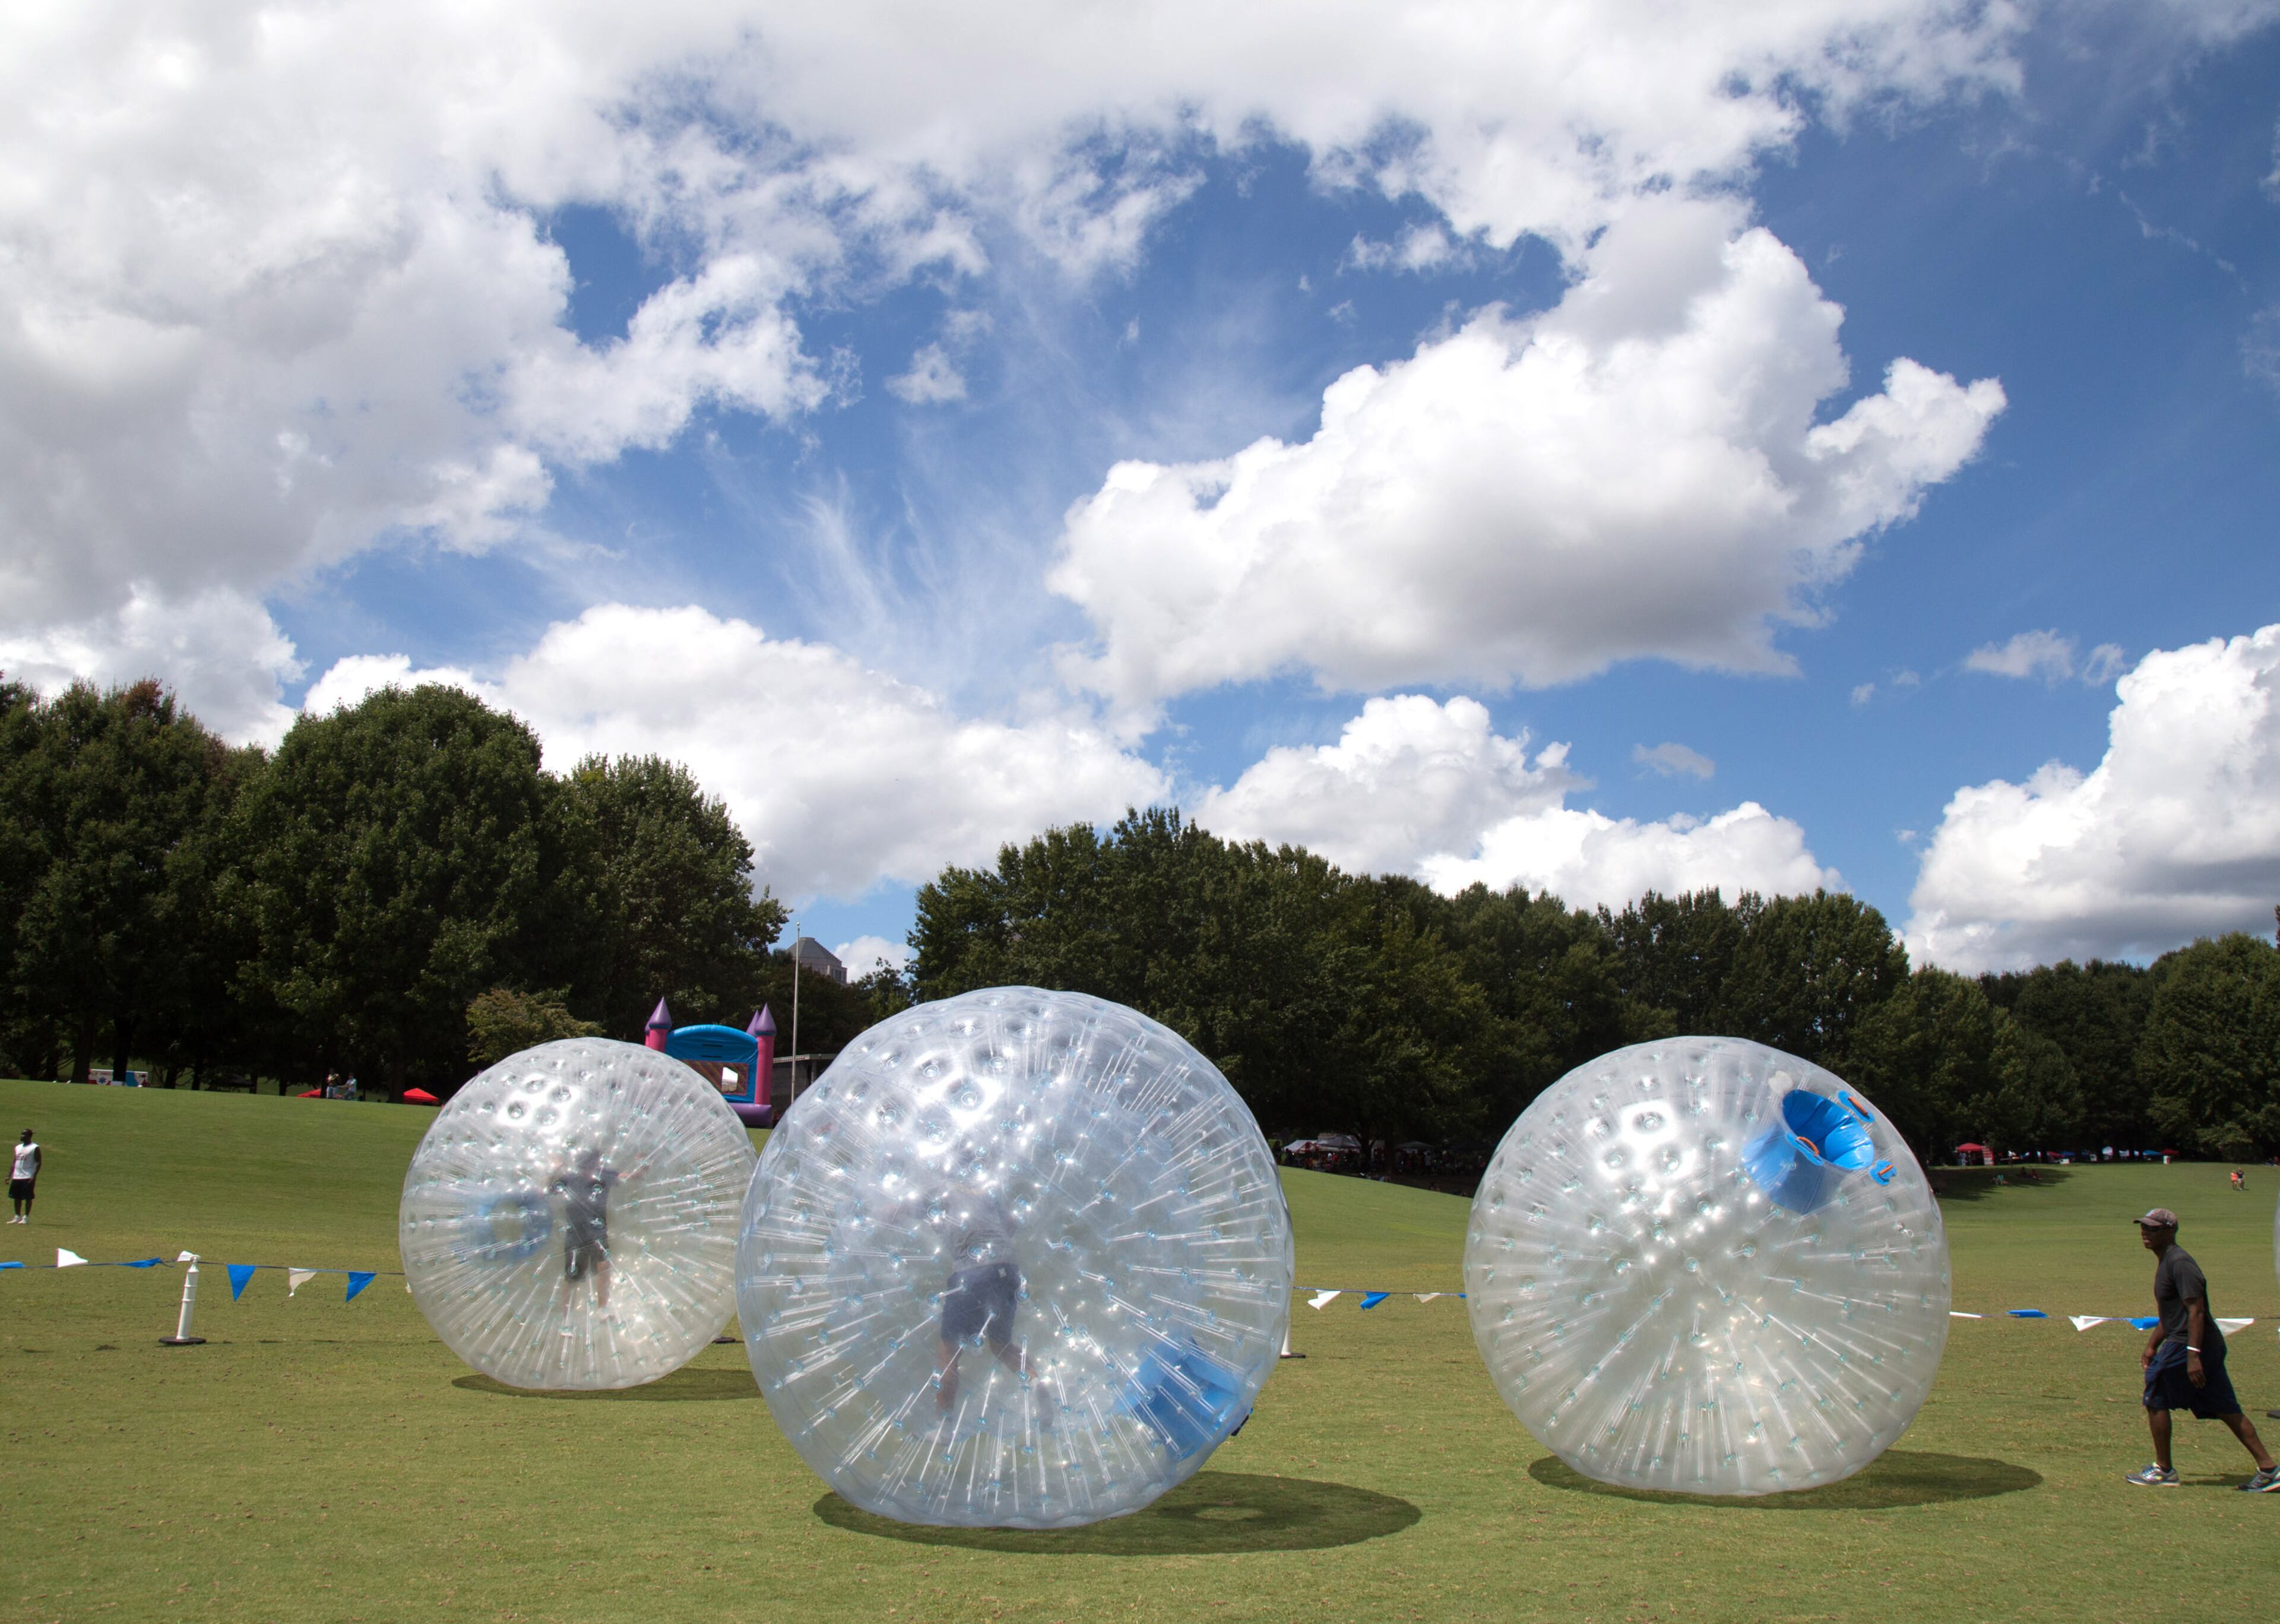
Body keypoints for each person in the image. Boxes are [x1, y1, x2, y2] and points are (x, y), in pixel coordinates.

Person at [2124, 1208, 2278, 1490]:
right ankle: (2270, 1471)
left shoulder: (2180, 1263)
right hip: (2194, 1343)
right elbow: (2173, 1314)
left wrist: (2193, 1355)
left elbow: (2196, 1311)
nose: (2146, 1232)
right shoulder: (2167, 1261)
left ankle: (2163, 1471)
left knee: (2155, 1394)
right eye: (2144, 1227)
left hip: (2189, 1344)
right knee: (2226, 1408)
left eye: (2153, 1228)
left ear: (2170, 1231)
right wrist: (2151, 1346)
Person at [933, 1183, 1042, 1417]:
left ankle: (943, 1428)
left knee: (949, 1352)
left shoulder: (937, 1191)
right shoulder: (986, 1190)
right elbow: (1011, 1225)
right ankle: (1036, 1383)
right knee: (1001, 1345)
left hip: (971, 1273)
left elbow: (893, 1211)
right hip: (1008, 1270)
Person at [552, 1148, 617, 1310]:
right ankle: (566, 1315)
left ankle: (603, 1309)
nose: (588, 1170)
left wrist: (644, 1168)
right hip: (576, 1236)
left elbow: (630, 1178)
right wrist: (557, 1168)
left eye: (592, 1165)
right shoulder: (569, 1179)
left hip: (598, 1234)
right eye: (585, 1166)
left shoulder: (604, 1176)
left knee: (604, 1268)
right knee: (573, 1277)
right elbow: (549, 1189)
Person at [8, 1130, 38, 1223]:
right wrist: (9, 1175)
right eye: (21, 1134)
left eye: (24, 1134)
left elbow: (38, 1162)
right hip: (17, 1176)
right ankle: (17, 1216)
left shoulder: (34, 1148)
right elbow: (15, 1162)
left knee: (28, 1198)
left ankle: (26, 1217)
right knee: (17, 1197)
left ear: (29, 1136)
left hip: (27, 1176)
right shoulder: (18, 1147)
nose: (21, 1136)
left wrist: (34, 1175)